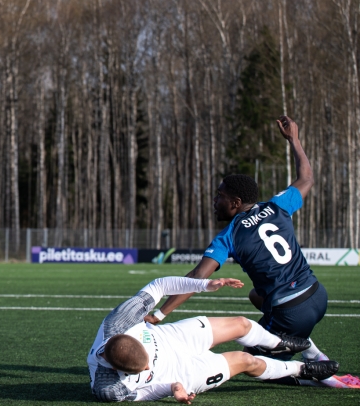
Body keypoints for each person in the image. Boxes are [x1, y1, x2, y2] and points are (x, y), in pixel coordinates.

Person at [144, 116, 360, 389]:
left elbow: (198, 276)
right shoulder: (277, 206)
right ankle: (309, 348)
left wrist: (160, 314)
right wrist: (294, 139)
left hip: (291, 313)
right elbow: (307, 177)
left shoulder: (230, 235)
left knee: (250, 364)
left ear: (235, 203)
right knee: (256, 295)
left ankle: (325, 378)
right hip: (317, 295)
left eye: (219, 196)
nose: (214, 200)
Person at [89, 275, 339, 402]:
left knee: (241, 324)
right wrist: (173, 388)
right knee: (245, 360)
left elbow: (159, 285)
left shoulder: (119, 322)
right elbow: (145, 393)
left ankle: (277, 343)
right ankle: (301, 369)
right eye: (144, 369)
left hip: (168, 339)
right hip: (182, 372)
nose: (147, 366)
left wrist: (206, 284)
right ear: (117, 369)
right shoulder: (108, 388)